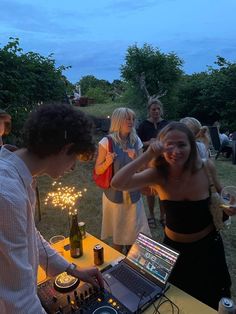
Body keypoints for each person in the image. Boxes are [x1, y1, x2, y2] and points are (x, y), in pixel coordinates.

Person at [111, 122, 236, 310]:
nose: (176, 151)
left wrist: (231, 206)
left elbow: (223, 195)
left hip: (209, 248)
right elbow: (117, 183)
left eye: (182, 144)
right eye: (169, 145)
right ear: (160, 147)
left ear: (191, 146)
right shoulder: (158, 175)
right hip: (173, 251)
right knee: (177, 303)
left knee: (213, 299)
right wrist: (147, 155)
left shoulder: (206, 168)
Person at [0, 103, 104, 314]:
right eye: (74, 159)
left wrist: (72, 270)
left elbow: (32, 237)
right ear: (65, 149)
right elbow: (18, 300)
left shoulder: (20, 176)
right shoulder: (8, 195)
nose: (73, 167)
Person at [94, 107, 151, 253]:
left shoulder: (136, 140)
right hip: (114, 195)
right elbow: (97, 170)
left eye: (132, 118)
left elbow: (142, 169)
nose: (131, 121)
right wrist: (107, 162)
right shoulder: (106, 142)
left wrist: (136, 159)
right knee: (118, 233)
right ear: (118, 120)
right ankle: (118, 264)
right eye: (127, 118)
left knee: (134, 232)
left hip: (133, 193)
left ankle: (131, 263)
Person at [137, 97, 168, 228]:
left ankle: (163, 216)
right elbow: (137, 143)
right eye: (153, 109)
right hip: (149, 161)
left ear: (161, 110)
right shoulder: (143, 125)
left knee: (163, 189)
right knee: (150, 190)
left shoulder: (166, 124)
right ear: (149, 111)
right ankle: (151, 216)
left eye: (158, 109)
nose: (156, 111)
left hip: (164, 160)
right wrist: (148, 143)